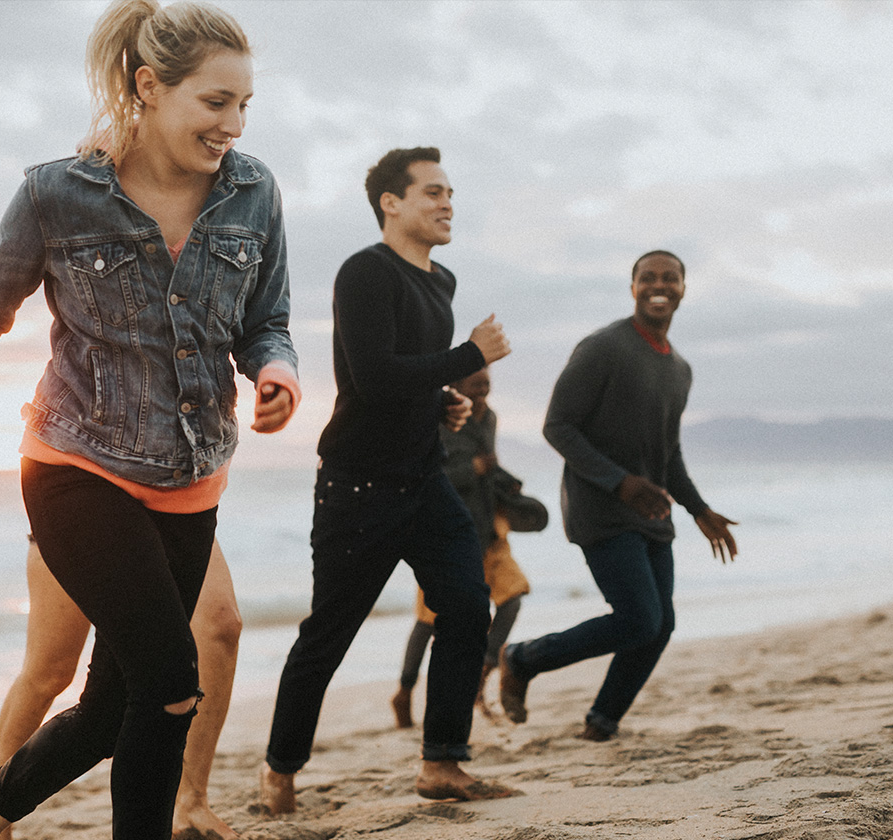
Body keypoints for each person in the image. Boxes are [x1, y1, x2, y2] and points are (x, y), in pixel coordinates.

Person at [0, 2, 299, 838]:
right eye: (215, 102)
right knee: (171, 680)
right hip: (74, 464)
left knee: (114, 702)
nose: (232, 124)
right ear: (150, 87)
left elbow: (267, 319)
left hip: (193, 480)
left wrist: (276, 373)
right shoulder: (57, 193)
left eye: (244, 106)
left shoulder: (254, 191)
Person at [259, 147, 517, 814]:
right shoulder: (364, 274)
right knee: (328, 635)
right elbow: (372, 377)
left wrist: (443, 401)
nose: (446, 203)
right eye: (432, 192)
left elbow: (412, 374)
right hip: (358, 486)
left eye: (450, 192)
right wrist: (469, 358)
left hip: (424, 480)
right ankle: (280, 772)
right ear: (391, 204)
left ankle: (442, 763)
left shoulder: (443, 281)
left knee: (466, 606)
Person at [498, 250, 738, 742]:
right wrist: (620, 482)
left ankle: (602, 720)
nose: (659, 285)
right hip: (601, 507)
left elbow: (667, 452)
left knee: (660, 624)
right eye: (647, 277)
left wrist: (699, 509)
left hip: (651, 510)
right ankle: (522, 658)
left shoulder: (681, 370)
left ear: (683, 289)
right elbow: (557, 426)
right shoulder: (603, 347)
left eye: (670, 278)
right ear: (632, 288)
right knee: (638, 618)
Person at [0, 536, 242, 840]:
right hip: (89, 504)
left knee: (221, 622)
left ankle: (191, 804)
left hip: (174, 502)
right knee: (50, 672)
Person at [390, 367, 533, 728]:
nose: (483, 390)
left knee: (512, 597)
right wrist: (474, 468)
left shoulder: (491, 418)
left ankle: (482, 672)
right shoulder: (438, 420)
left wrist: (506, 481)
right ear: (454, 386)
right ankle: (404, 692)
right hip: (446, 536)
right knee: (428, 621)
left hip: (489, 531)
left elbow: (490, 465)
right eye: (475, 384)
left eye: (486, 383)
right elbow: (427, 475)